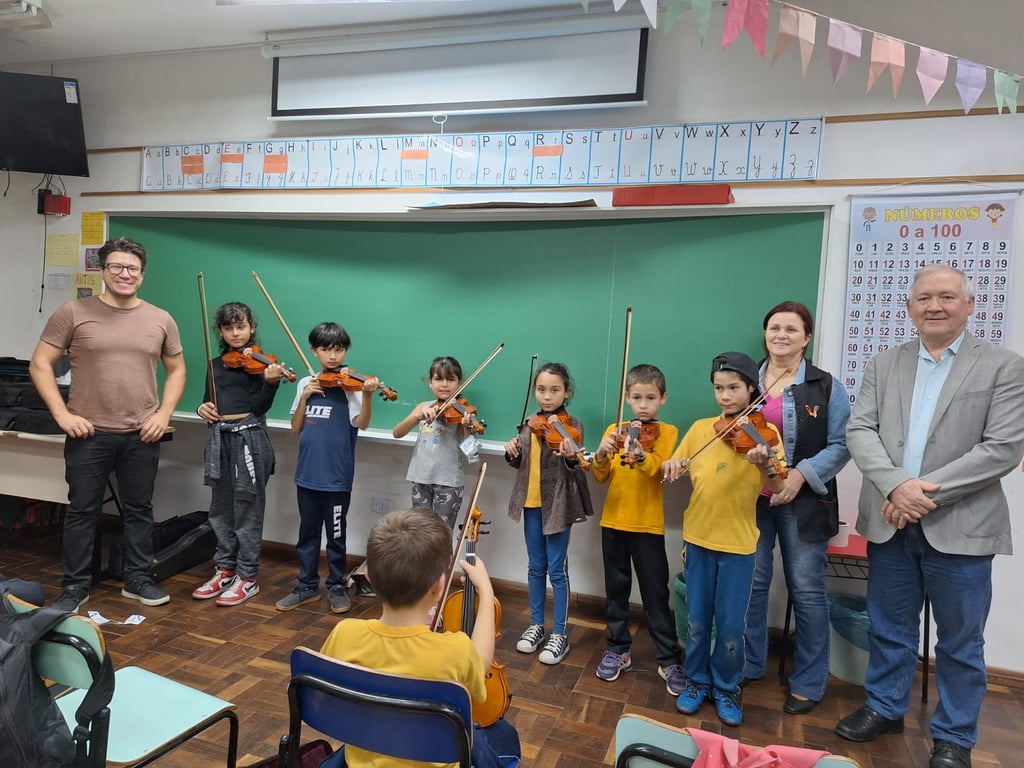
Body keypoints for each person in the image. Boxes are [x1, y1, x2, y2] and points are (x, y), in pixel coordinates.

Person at [835, 265, 1024, 768]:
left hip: (962, 527)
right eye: (924, 298)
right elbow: (861, 431)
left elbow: (1002, 449)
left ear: (969, 305)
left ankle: (955, 736)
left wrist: (919, 494)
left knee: (961, 640)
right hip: (890, 519)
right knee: (887, 626)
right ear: (910, 307)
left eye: (946, 297)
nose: (934, 306)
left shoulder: (1004, 366)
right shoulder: (883, 364)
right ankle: (884, 706)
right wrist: (897, 485)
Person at [29, 236, 186, 613]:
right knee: (83, 511)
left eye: (132, 268)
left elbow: (178, 369)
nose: (124, 274)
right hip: (90, 434)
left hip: (141, 434)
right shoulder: (72, 312)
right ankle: (75, 586)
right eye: (116, 266)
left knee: (138, 510)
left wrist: (163, 414)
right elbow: (40, 364)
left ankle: (137, 580)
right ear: (103, 270)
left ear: (142, 274)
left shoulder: (160, 318)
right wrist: (63, 414)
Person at [320, 508, 521, 768]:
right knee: (505, 737)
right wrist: (485, 589)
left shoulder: (344, 633)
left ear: (368, 577)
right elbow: (481, 661)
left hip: (361, 758)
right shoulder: (455, 651)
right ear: (439, 587)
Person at [661, 352, 784, 727]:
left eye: (733, 388)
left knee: (731, 626)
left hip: (738, 544)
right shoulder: (700, 429)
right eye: (719, 388)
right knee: (697, 620)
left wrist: (764, 463)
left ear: (751, 389)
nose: (726, 396)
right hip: (697, 538)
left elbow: (778, 485)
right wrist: (670, 464)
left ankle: (727, 686)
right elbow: (676, 466)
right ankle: (697, 681)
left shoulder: (765, 434)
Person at [742, 301, 851, 714]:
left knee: (806, 591)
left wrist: (799, 476)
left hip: (802, 502)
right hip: (751, 499)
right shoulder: (744, 380)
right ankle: (750, 664)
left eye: (791, 329)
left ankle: (808, 681)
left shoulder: (827, 387)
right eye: (773, 328)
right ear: (765, 334)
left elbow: (841, 445)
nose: (781, 335)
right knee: (750, 585)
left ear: (807, 338)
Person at [590, 363, 685, 695]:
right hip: (612, 521)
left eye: (650, 397)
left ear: (663, 398)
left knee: (655, 593)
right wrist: (602, 453)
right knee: (616, 590)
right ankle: (618, 649)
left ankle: (668, 657)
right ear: (627, 398)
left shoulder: (667, 432)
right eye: (637, 398)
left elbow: (659, 470)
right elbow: (601, 475)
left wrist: (642, 455)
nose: (643, 405)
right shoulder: (615, 430)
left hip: (647, 525)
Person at [275, 322, 379, 615]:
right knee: (307, 535)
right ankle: (306, 586)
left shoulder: (351, 387)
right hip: (306, 474)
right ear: (314, 351)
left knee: (336, 535)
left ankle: (335, 585)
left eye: (339, 349)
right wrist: (306, 396)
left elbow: (363, 424)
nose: (333, 356)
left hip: (336, 478)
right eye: (325, 349)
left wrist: (368, 394)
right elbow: (296, 428)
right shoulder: (305, 383)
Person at [192, 302, 287, 607]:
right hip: (219, 438)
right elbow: (209, 402)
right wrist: (200, 408)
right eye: (229, 327)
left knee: (248, 508)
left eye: (241, 326)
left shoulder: (262, 364)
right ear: (220, 331)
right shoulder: (215, 364)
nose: (236, 333)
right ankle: (224, 570)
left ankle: (247, 577)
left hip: (250, 437)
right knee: (220, 508)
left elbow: (259, 407)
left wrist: (271, 384)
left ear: (251, 327)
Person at [504, 361, 593, 666]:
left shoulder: (573, 426)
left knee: (557, 570)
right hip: (530, 503)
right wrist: (511, 451)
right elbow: (523, 463)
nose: (546, 396)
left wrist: (570, 455)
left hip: (557, 505)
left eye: (554, 390)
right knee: (534, 566)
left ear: (566, 392)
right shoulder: (529, 424)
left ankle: (560, 633)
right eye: (541, 390)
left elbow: (577, 467)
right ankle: (537, 625)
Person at [392, 356, 475, 529]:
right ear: (430, 382)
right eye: (438, 379)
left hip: (448, 483)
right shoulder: (423, 407)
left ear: (459, 383)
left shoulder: (463, 411)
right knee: (420, 534)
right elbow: (397, 432)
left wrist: (466, 426)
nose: (444, 384)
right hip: (420, 478)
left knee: (442, 536)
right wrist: (417, 417)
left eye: (450, 379)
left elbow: (472, 454)